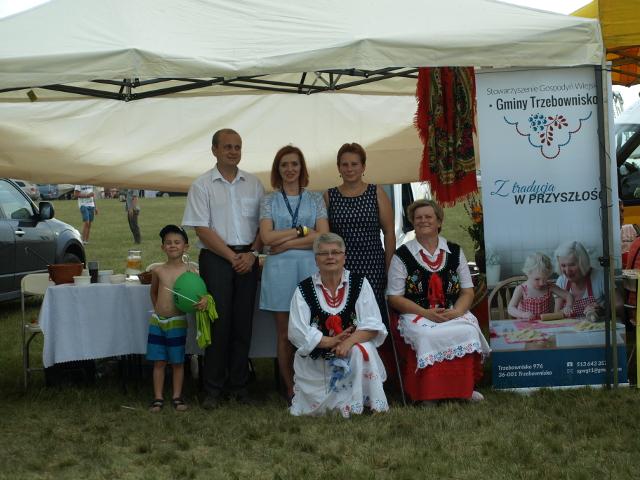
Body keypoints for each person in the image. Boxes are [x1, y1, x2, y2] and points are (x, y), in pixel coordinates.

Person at [182, 128, 264, 409]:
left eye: (237, 147)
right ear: (214, 150)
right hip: (217, 258)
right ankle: (213, 389)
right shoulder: (202, 185)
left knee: (243, 323)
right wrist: (232, 257)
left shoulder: (254, 184)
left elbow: (263, 225)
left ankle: (239, 386)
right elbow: (202, 229)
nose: (233, 151)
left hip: (248, 257)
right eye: (227, 146)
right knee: (218, 323)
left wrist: (252, 253)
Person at [387, 199, 490, 403]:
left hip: (451, 311)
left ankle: (465, 389)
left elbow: (467, 291)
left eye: (428, 217)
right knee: (426, 335)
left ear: (439, 222)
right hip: (417, 314)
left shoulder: (455, 251)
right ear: (412, 222)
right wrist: (425, 313)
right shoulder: (402, 256)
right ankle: (429, 394)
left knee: (468, 331)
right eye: (418, 217)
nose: (423, 220)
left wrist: (457, 312)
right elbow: (394, 297)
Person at [288, 232, 389, 417]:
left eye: (335, 252)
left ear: (344, 257)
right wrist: (330, 341)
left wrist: (348, 342)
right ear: (316, 260)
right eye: (323, 253)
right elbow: (296, 331)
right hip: (318, 362)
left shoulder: (360, 283)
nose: (330, 257)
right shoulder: (303, 289)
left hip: (350, 355)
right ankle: (342, 403)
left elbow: (373, 324)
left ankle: (365, 403)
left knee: (363, 349)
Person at [259, 145, 329, 402]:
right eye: (284, 165)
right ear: (278, 169)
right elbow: (267, 237)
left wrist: (287, 243)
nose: (290, 169)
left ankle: (314, 384)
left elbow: (322, 236)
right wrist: (302, 231)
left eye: (294, 164)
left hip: (309, 270)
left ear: (302, 168)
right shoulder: (269, 200)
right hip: (279, 273)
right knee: (285, 334)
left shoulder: (315, 199)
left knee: (313, 328)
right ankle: (290, 388)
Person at [324, 143, 395, 321]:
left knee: (374, 315)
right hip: (342, 266)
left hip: (373, 265)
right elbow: (324, 237)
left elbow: (389, 232)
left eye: (354, 164)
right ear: (338, 168)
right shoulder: (329, 196)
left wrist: (390, 267)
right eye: (345, 164)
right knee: (346, 314)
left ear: (363, 166)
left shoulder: (376, 192)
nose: (349, 169)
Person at [147, 225, 207, 413]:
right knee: (159, 361)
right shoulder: (158, 270)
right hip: (158, 322)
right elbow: (153, 292)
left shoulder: (191, 271)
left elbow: (201, 292)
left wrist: (204, 300)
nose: (172, 245)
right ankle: (158, 398)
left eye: (177, 242)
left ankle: (177, 397)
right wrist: (159, 309)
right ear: (162, 247)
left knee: (177, 361)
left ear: (185, 247)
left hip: (177, 322)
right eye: (168, 243)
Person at [507, 252, 573, 320]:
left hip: (545, 324)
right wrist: (522, 314)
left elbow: (568, 295)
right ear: (528, 273)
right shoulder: (521, 289)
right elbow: (510, 308)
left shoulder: (549, 286)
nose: (541, 283)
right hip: (526, 324)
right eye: (537, 279)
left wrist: (569, 306)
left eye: (545, 279)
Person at [554, 241, 605, 319]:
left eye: (572, 265)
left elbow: (619, 305)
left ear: (583, 263)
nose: (567, 271)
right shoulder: (561, 281)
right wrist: (563, 312)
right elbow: (556, 314)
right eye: (563, 265)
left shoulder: (600, 277)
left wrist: (602, 310)